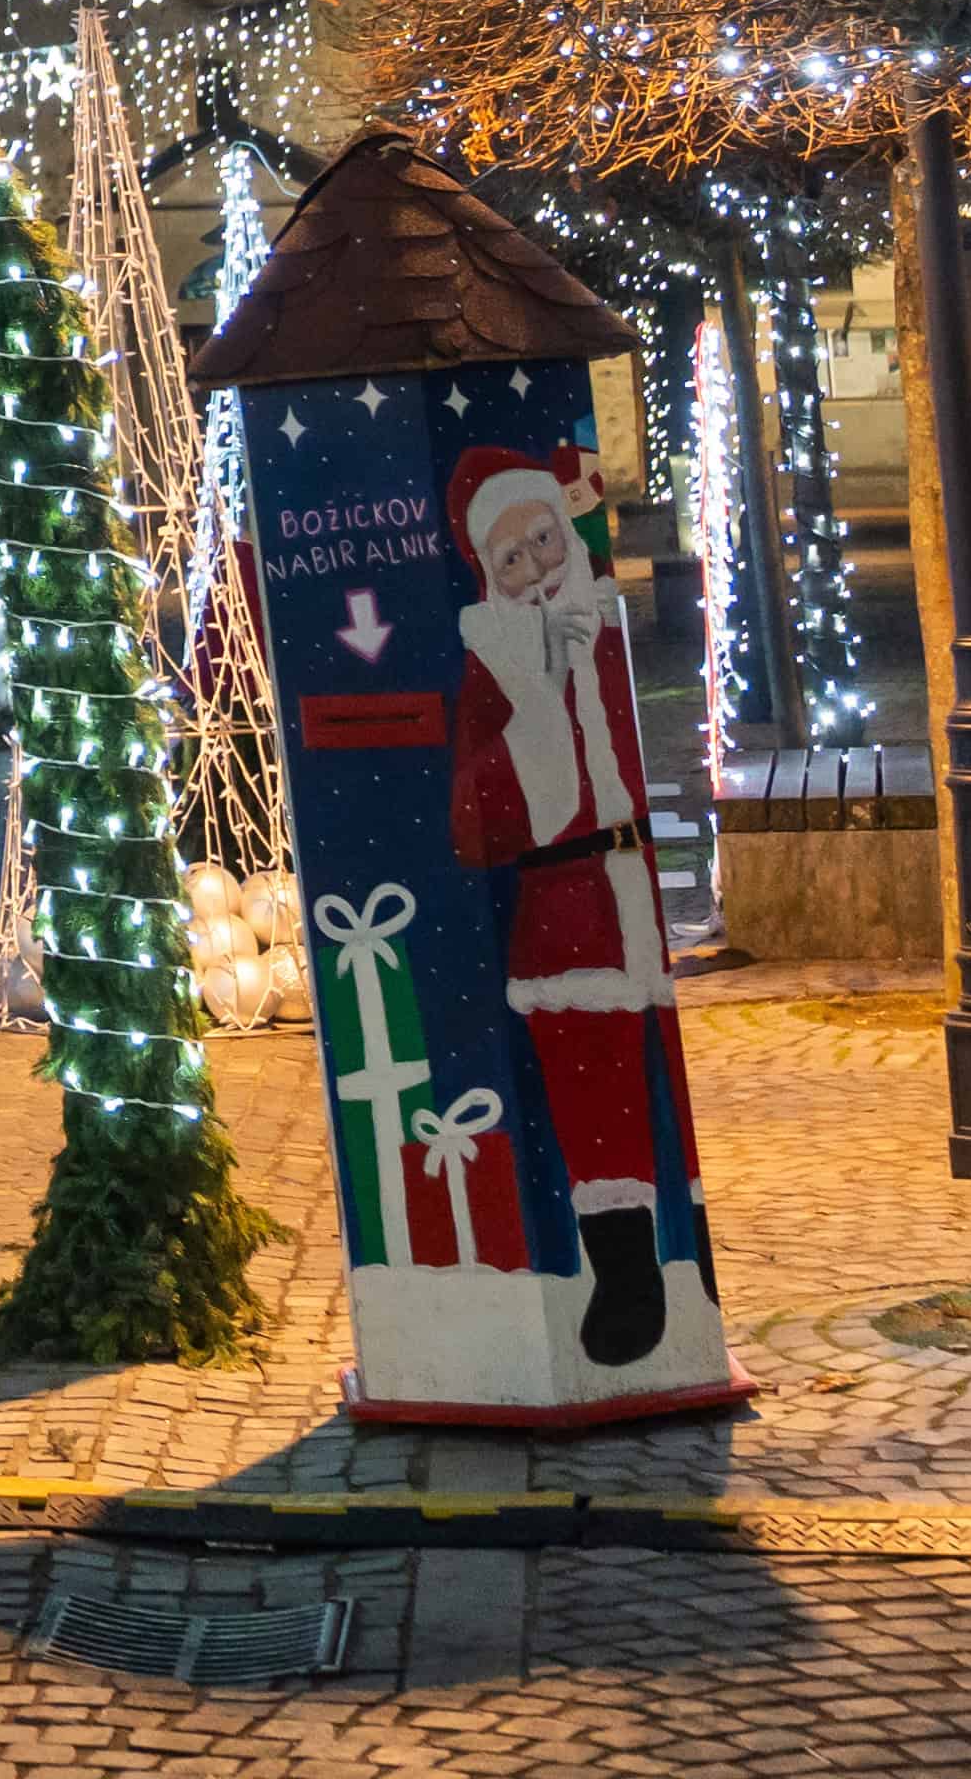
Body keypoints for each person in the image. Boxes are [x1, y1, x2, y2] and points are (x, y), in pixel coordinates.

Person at [442, 443, 693, 1365]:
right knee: (593, 1096)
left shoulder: (609, 636)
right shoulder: (493, 676)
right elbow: (474, 826)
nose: (538, 568)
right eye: (511, 558)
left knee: (656, 1077)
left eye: (545, 542)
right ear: (488, 576)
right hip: (563, 902)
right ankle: (626, 1279)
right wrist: (531, 712)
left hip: (635, 890)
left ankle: (684, 1266)